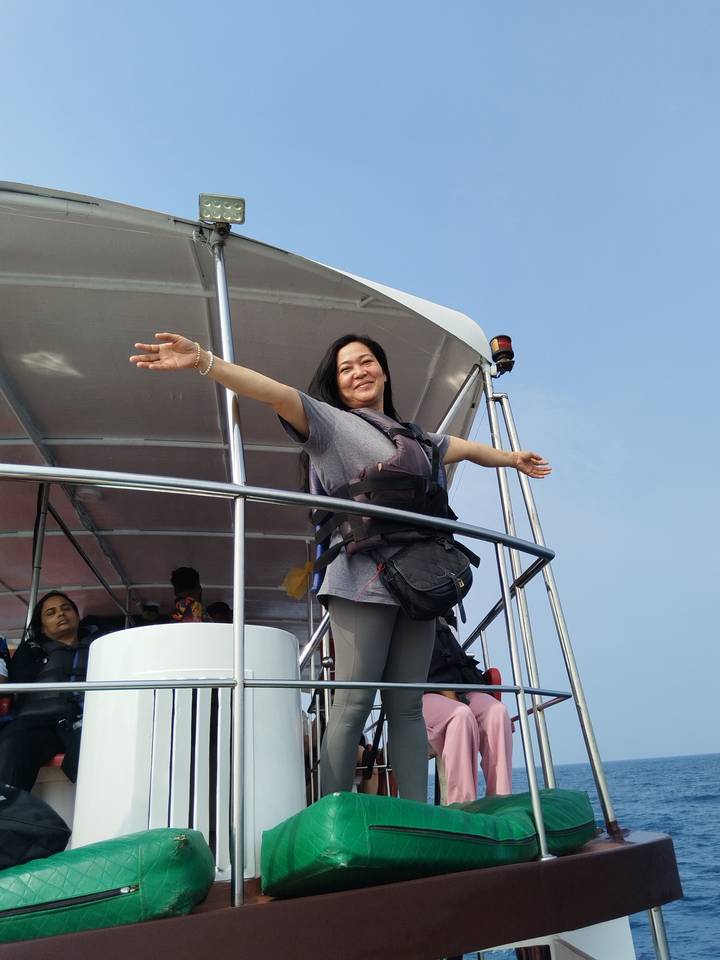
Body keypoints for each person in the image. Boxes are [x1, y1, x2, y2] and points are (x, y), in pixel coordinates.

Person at [130, 332, 550, 801]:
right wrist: (204, 361)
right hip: (361, 581)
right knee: (352, 704)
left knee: (408, 707)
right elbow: (269, 390)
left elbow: (467, 449)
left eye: (367, 362)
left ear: (384, 371)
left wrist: (512, 459)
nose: (359, 372)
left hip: (418, 585)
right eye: (346, 368)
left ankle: (411, 817)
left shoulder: (415, 436)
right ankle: (334, 816)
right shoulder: (329, 424)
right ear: (337, 384)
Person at [0, 592, 93, 790]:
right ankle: (7, 815)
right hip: (38, 722)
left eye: (66, 608)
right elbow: (17, 682)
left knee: (94, 748)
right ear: (42, 625)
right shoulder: (31, 650)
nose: (61, 614)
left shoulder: (99, 647)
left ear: (77, 616)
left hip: (87, 719)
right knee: (12, 745)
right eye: (51, 612)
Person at [423, 616, 512, 803]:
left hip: (461, 686)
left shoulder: (443, 621)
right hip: (421, 694)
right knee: (460, 716)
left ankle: (501, 800)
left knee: (497, 712)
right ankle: (462, 806)